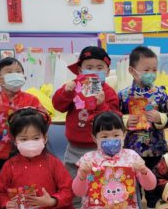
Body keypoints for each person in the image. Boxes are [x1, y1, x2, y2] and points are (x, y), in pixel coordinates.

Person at [52, 46, 121, 180]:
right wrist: (66, 92)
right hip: (74, 148)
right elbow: (58, 106)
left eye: (99, 68)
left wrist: (101, 105)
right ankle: (76, 195)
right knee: (74, 182)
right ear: (80, 70)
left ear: (107, 72)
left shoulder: (108, 92)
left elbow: (115, 119)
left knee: (99, 182)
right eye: (89, 67)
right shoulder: (73, 86)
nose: (94, 71)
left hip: (100, 149)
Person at [0, 57, 47, 176]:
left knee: (28, 179)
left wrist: (35, 115)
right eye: (9, 72)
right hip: (1, 152)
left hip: (27, 150)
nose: (15, 75)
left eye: (18, 71)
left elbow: (45, 120)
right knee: (4, 180)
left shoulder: (31, 99)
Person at [117, 46, 168, 209]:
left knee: (154, 181)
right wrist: (125, 120)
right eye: (146, 70)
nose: (151, 74)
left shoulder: (161, 94)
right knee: (132, 182)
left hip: (157, 149)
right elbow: (114, 119)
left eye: (154, 70)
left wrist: (160, 118)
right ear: (132, 71)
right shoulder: (123, 95)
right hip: (132, 149)